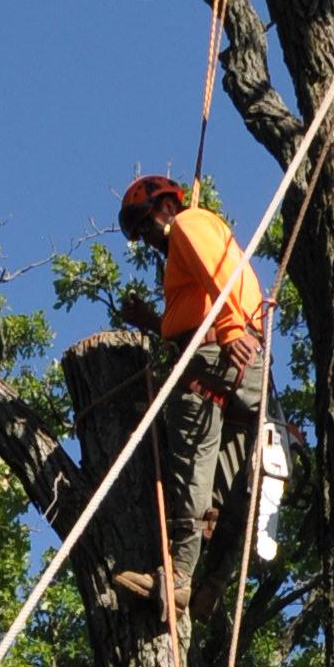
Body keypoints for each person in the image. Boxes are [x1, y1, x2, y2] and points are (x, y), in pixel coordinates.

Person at [116, 172, 272, 598]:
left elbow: (216, 276)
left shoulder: (188, 224)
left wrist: (227, 327)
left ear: (163, 209)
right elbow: (198, 304)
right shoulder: (200, 234)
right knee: (232, 474)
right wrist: (153, 321)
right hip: (248, 362)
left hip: (219, 355)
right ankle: (213, 582)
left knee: (190, 460)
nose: (149, 241)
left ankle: (179, 576)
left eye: (146, 228)